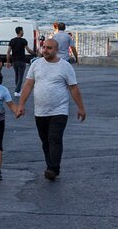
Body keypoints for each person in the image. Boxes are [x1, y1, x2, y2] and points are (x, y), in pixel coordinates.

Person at [13, 37, 86, 181]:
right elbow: (28, 85)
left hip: (59, 110)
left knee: (54, 139)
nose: (45, 50)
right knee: (45, 141)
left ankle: (53, 168)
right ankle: (50, 166)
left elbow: (74, 87)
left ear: (56, 50)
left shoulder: (65, 66)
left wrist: (81, 107)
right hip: (40, 111)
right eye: (44, 47)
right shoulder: (36, 64)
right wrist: (21, 105)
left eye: (49, 48)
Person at [7, 26, 32, 97]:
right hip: (22, 60)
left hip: (14, 61)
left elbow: (8, 52)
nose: (23, 32)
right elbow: (28, 50)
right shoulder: (23, 41)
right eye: (23, 31)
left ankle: (18, 90)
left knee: (17, 75)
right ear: (20, 31)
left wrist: (8, 62)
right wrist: (35, 53)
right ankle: (17, 91)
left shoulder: (12, 40)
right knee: (21, 77)